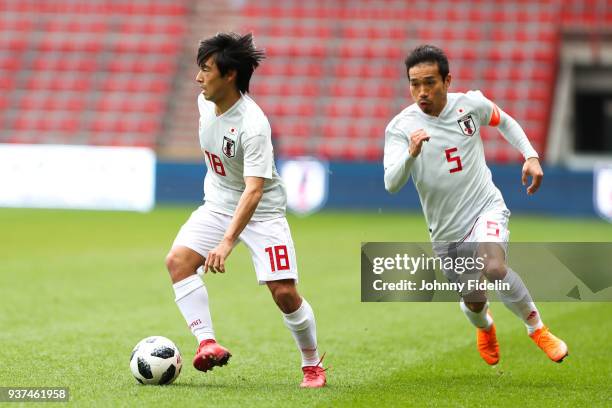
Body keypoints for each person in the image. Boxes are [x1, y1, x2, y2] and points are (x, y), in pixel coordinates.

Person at [383, 44, 568, 365]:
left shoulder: (469, 106)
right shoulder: (400, 127)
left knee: (494, 267)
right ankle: (485, 327)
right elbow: (391, 184)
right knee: (474, 300)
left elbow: (505, 121)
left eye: (430, 82)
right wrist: (411, 154)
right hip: (445, 231)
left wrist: (531, 156)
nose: (422, 91)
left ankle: (536, 328)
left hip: (485, 208)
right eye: (414, 84)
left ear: (447, 81)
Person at [165, 32, 326, 388]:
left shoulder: (253, 126)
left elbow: (254, 191)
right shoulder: (204, 103)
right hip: (218, 204)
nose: (198, 78)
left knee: (284, 293)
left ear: (230, 75)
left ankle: (312, 364)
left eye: (206, 70)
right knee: (178, 262)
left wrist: (225, 242)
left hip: (263, 213)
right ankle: (206, 342)